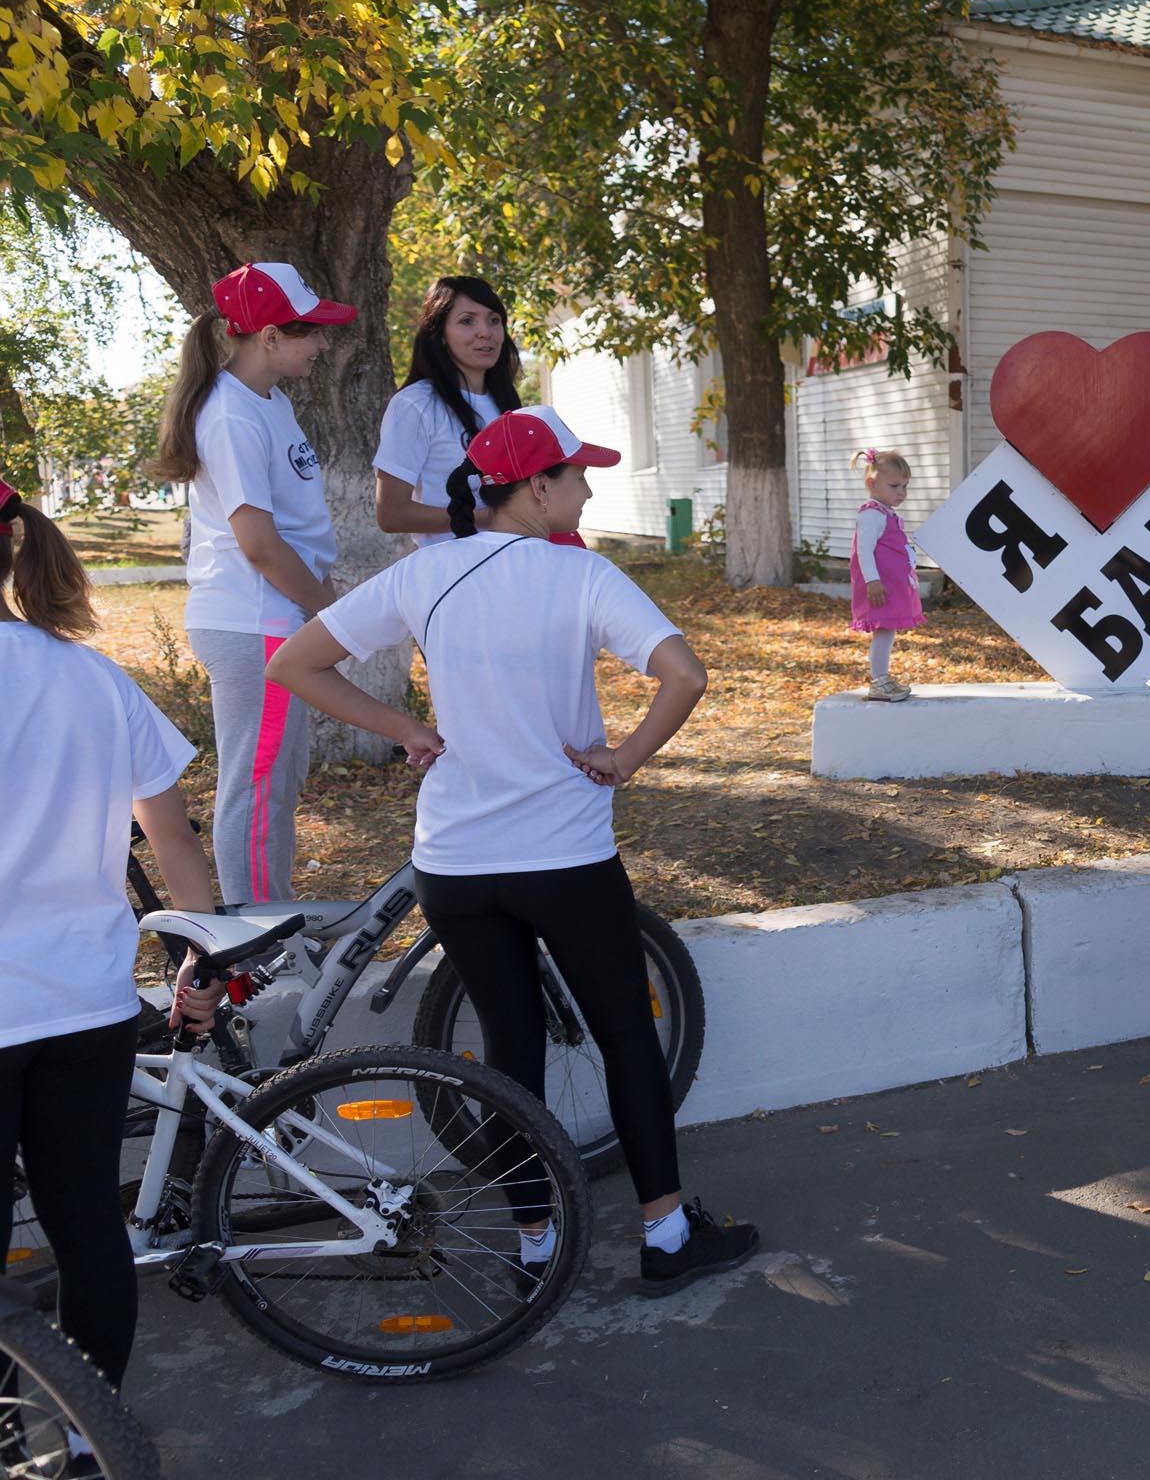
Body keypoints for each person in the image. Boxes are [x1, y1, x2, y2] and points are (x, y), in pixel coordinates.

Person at [264, 411, 756, 1297]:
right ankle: (668, 1234)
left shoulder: (425, 574)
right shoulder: (581, 575)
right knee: (625, 1039)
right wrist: (625, 759)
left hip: (455, 864)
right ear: (536, 486)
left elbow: (295, 663)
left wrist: (405, 727)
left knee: (509, 1053)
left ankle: (533, 1246)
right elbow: (685, 674)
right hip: (563, 855)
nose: (589, 489)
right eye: (576, 475)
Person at [1, 475, 221, 1428]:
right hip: (88, 1008)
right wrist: (202, 959)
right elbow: (174, 842)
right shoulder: (91, 678)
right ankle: (88, 1437)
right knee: (89, 1230)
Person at [152, 261, 351, 905]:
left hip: (274, 616)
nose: (323, 344)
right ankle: (257, 939)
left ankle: (270, 915)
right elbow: (260, 546)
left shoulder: (269, 402)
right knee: (256, 785)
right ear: (268, 336)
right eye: (311, 332)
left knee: (275, 784)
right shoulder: (232, 416)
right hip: (255, 621)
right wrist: (331, 615)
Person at [373, 276, 580, 548]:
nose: (485, 332)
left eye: (494, 320)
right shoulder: (415, 404)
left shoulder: (507, 404)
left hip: (519, 561)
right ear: (439, 334)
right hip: (455, 572)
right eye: (467, 321)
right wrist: (489, 518)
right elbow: (391, 514)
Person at [851, 448, 924, 701]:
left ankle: (882, 678)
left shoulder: (887, 513)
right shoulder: (871, 514)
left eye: (905, 486)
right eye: (894, 486)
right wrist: (872, 581)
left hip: (890, 585)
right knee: (884, 630)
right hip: (879, 586)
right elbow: (864, 550)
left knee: (888, 630)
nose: (901, 492)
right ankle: (879, 681)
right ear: (872, 483)